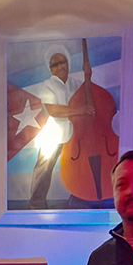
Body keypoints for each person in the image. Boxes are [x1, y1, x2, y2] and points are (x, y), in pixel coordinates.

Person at [28, 43, 94, 209]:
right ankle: (36, 204)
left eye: (61, 62)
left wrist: (88, 78)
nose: (59, 67)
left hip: (75, 135)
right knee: (44, 170)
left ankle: (77, 199)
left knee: (78, 168)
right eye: (54, 64)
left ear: (68, 63)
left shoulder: (76, 84)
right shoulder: (48, 85)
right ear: (50, 69)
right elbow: (53, 110)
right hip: (53, 135)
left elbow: (89, 103)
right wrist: (79, 110)